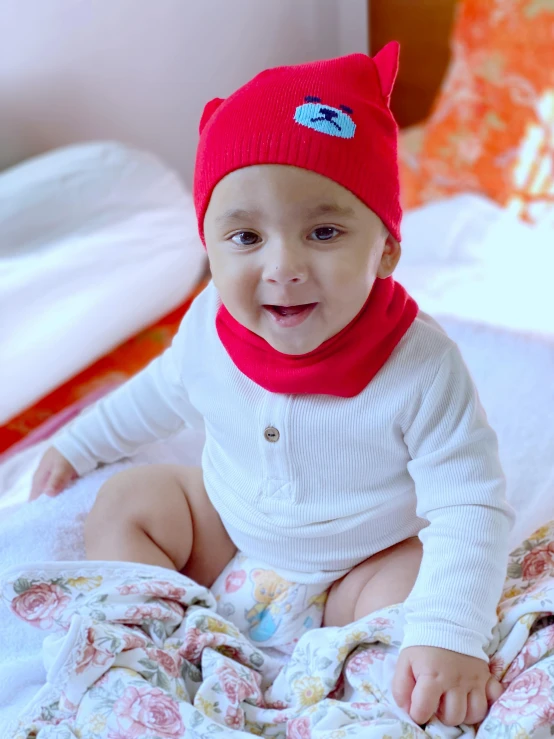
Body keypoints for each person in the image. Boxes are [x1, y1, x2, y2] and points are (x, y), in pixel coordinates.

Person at [30, 43, 512, 727]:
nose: (282, 266)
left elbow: (471, 503)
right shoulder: (208, 325)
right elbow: (160, 391)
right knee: (128, 497)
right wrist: (79, 443)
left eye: (322, 231)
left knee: (418, 589)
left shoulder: (421, 366)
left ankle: (325, 688)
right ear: (209, 243)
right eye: (246, 237)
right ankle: (151, 637)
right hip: (229, 531)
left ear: (387, 247)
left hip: (358, 565)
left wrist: (450, 634)